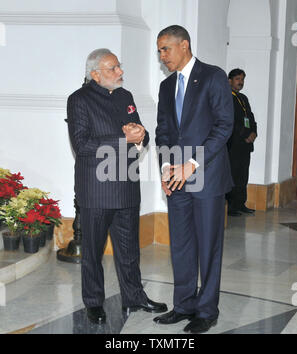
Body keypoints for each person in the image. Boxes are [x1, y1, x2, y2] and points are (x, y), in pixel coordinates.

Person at [67, 48, 167, 324]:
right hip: (96, 189)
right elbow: (82, 144)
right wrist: (123, 139)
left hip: (126, 185)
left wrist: (140, 137)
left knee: (129, 249)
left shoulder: (126, 97)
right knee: (93, 252)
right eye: (113, 68)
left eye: (119, 66)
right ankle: (93, 303)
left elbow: (140, 136)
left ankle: (135, 297)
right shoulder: (79, 100)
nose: (120, 72)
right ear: (95, 74)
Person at [154, 25, 234, 333]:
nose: (162, 56)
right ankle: (184, 304)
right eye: (159, 51)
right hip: (176, 180)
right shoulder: (165, 86)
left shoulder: (213, 77)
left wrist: (191, 163)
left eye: (166, 49)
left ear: (184, 45)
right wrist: (165, 169)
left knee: (209, 247)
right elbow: (163, 132)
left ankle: (206, 310)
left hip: (207, 177)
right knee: (182, 245)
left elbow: (224, 127)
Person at [226, 69, 257, 216]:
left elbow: (250, 118)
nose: (240, 82)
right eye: (237, 79)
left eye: (242, 79)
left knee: (243, 175)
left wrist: (253, 132)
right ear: (229, 80)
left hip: (245, 145)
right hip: (234, 144)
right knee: (233, 174)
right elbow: (230, 120)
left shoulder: (243, 98)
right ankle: (230, 206)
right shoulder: (226, 97)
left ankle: (240, 203)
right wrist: (245, 134)